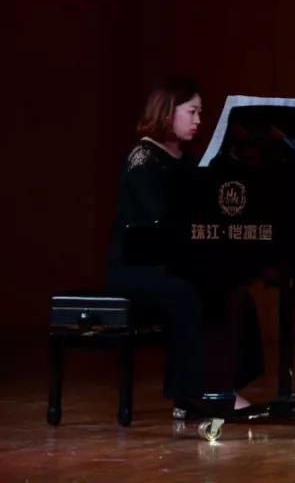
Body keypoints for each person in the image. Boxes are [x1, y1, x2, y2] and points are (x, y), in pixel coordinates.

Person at [107, 76, 264, 417]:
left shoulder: (190, 161)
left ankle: (219, 385)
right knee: (189, 295)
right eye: (192, 112)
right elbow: (162, 219)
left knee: (237, 296)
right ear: (167, 111)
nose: (198, 121)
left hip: (174, 262)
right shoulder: (143, 157)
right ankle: (194, 393)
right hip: (136, 267)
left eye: (200, 113)